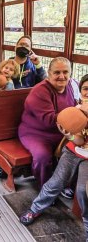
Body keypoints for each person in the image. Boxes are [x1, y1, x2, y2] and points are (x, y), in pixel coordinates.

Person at [19, 74, 88, 241]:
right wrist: (70, 135)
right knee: (56, 182)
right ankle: (35, 208)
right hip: (74, 151)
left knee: (82, 191)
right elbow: (78, 140)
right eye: (86, 89)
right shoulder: (76, 111)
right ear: (81, 91)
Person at [18, 57, 79, 188]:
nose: (62, 76)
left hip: (61, 132)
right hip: (36, 133)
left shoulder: (70, 86)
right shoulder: (40, 91)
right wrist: (76, 113)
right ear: (49, 73)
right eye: (57, 72)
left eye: (65, 72)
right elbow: (49, 120)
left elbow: (74, 106)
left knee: (79, 150)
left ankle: (68, 184)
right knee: (42, 157)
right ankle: (44, 187)